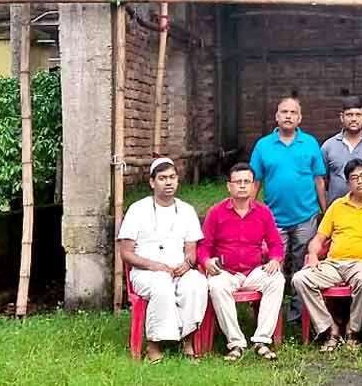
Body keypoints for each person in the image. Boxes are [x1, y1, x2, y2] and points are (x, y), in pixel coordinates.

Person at [292, 158, 362, 352]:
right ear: (348, 183)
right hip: (333, 264)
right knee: (300, 279)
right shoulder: (338, 205)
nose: (360, 181)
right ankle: (330, 327)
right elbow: (318, 240)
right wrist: (313, 255)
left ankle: (352, 330)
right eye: (354, 178)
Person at [117, 157, 207, 363]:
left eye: (172, 177)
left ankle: (187, 341)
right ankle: (154, 345)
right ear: (152, 182)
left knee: (197, 283)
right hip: (147, 272)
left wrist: (187, 264)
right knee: (161, 285)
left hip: (178, 269)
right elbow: (126, 253)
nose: (168, 182)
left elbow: (191, 250)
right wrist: (155, 266)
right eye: (162, 178)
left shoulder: (186, 210)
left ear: (178, 180)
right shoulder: (137, 209)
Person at [250, 97, 327, 326]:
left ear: (299, 118)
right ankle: (272, 321)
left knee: (302, 269)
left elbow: (319, 180)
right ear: (276, 116)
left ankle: (297, 319)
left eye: (293, 112)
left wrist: (325, 211)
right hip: (274, 219)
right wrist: (251, 210)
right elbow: (255, 181)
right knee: (275, 269)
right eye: (284, 112)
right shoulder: (263, 145)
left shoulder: (310, 143)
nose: (288, 116)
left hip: (306, 216)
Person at [199, 163, 286, 362]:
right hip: (226, 271)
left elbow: (276, 244)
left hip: (253, 270)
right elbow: (204, 246)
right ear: (229, 186)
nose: (242, 186)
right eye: (238, 182)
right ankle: (236, 343)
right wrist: (206, 261)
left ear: (254, 186)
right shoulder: (216, 212)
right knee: (215, 285)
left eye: (247, 182)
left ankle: (261, 340)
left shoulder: (263, 212)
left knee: (277, 280)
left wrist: (275, 259)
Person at [322, 96, 362, 202]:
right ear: (342, 117)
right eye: (349, 115)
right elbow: (323, 181)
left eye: (358, 115)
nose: (353, 119)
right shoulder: (328, 146)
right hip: (339, 211)